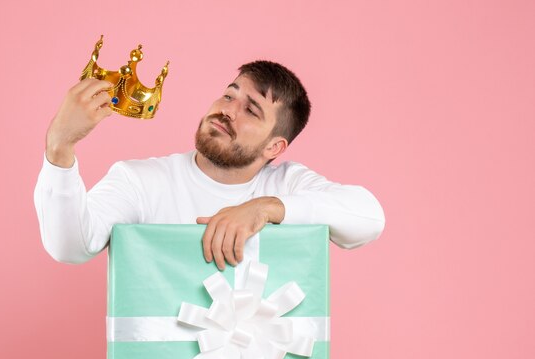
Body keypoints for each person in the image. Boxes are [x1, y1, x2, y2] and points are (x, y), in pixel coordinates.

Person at [34, 61, 385, 270]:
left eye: (251, 110)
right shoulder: (139, 180)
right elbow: (69, 246)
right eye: (229, 95)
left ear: (274, 146)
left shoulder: (286, 186)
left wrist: (264, 208)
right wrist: (59, 146)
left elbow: (369, 217)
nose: (227, 109)